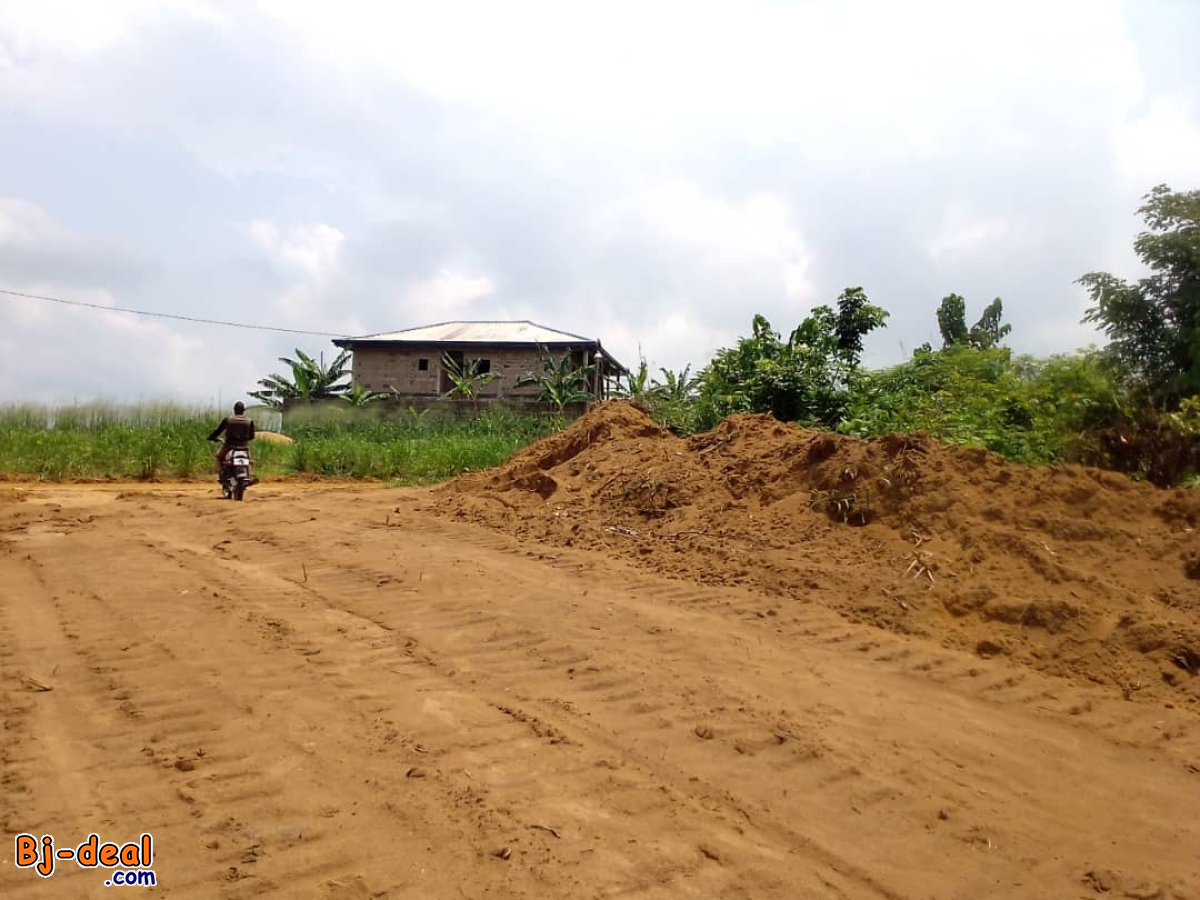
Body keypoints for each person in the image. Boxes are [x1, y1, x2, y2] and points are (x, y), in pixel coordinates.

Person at [207, 402, 256, 474]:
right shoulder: (249, 421)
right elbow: (252, 436)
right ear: (243, 410)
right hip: (244, 447)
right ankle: (250, 475)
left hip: (229, 445)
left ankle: (221, 472)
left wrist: (211, 437)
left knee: (218, 457)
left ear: (234, 410)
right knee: (248, 460)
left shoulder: (228, 419)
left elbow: (218, 431)